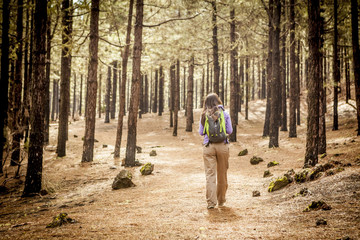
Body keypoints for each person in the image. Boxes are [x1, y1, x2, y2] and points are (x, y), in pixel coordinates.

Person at [198, 93, 233, 209]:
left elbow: (201, 132)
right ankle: (221, 201)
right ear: (218, 101)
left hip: (209, 146)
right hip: (223, 146)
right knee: (222, 174)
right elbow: (229, 130)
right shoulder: (224, 113)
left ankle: (211, 203)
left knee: (210, 175)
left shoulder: (204, 114)